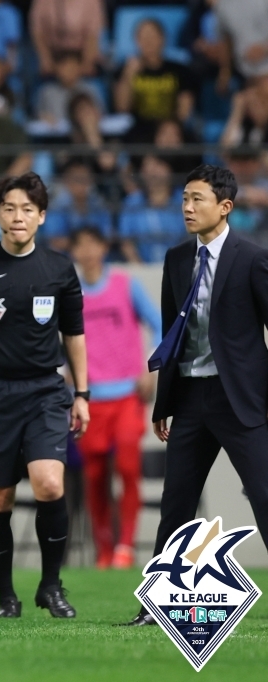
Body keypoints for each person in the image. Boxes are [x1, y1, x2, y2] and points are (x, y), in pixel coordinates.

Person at [123, 164, 268, 626]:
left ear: (225, 207)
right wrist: (164, 403)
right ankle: (158, 605)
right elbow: (173, 333)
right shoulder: (176, 258)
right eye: (184, 198)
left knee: (265, 497)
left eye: (197, 199)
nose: (187, 207)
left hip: (240, 400)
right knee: (177, 503)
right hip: (189, 399)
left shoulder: (252, 258)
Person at [0, 171, 89, 619]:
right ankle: (6, 596)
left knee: (49, 482)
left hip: (47, 389)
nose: (18, 216)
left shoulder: (60, 269)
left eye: (28, 208)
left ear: (42, 216)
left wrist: (82, 393)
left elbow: (75, 336)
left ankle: (51, 585)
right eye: (9, 208)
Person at [70, 227, 162, 570]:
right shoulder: (70, 292)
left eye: (95, 244)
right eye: (82, 245)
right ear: (74, 251)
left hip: (127, 394)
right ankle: (104, 549)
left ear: (104, 248)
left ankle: (125, 546)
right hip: (89, 398)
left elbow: (161, 324)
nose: (89, 251)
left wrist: (150, 368)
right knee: (94, 476)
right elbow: (52, 337)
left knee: (128, 467)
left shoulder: (125, 285)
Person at [113, 19, 197, 141]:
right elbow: (122, 108)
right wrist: (128, 77)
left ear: (163, 38)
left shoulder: (181, 71)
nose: (148, 42)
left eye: (152, 36)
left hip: (172, 129)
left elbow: (184, 110)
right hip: (139, 131)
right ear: (136, 41)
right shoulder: (126, 70)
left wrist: (169, 128)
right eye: (143, 37)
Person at [120, 155, 186, 264]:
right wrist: (141, 269)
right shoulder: (132, 202)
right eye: (147, 166)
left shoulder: (184, 199)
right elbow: (126, 242)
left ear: (169, 169)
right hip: (142, 269)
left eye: (157, 165)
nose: (152, 171)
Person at [43, 159, 113, 252]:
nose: (80, 184)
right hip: (65, 259)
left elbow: (107, 236)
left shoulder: (99, 205)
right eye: (76, 179)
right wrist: (84, 245)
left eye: (84, 178)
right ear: (66, 181)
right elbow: (55, 241)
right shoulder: (57, 207)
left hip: (96, 257)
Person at [29, 0, 104, 77]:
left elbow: (93, 36)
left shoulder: (92, 2)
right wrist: (47, 61)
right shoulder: (42, 2)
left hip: (81, 59)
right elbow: (38, 33)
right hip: (53, 58)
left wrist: (83, 66)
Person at [35, 51, 105, 124]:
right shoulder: (47, 92)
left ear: (80, 67)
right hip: (55, 134)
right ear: (56, 68)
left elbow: (101, 115)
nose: (68, 71)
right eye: (64, 67)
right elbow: (37, 117)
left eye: (72, 67)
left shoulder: (91, 89)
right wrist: (43, 117)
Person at [215, 0, 268, 81]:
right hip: (246, 74)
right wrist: (225, 71)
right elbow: (226, 39)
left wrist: (264, 49)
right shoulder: (222, 6)